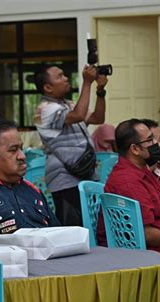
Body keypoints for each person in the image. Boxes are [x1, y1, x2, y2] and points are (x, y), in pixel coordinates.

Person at [97, 119, 160, 280]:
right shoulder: (128, 181)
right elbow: (147, 234)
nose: (155, 144)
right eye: (150, 140)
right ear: (135, 149)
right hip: (154, 253)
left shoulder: (143, 171)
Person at [33, 64, 108, 226]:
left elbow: (97, 118)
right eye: (59, 76)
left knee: (90, 225)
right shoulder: (43, 110)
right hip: (65, 179)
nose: (66, 78)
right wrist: (87, 83)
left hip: (83, 172)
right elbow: (79, 115)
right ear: (48, 87)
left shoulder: (68, 104)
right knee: (73, 229)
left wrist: (100, 91)